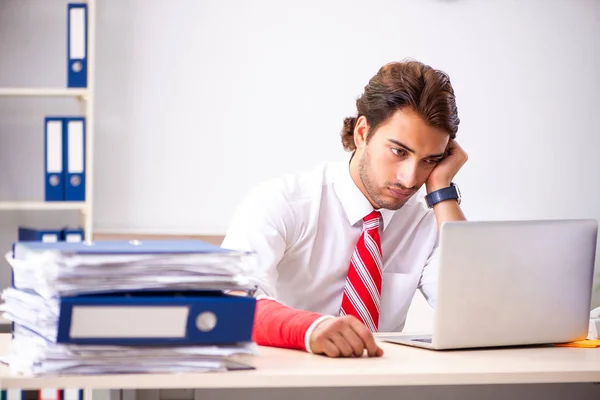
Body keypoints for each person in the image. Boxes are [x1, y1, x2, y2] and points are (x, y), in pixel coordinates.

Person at [221, 59, 468, 358]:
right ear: (362, 133)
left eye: (430, 160)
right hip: (286, 382)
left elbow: (474, 313)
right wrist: (309, 329)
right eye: (399, 152)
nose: (410, 178)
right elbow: (231, 302)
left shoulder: (427, 222)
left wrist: (442, 191)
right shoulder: (281, 202)